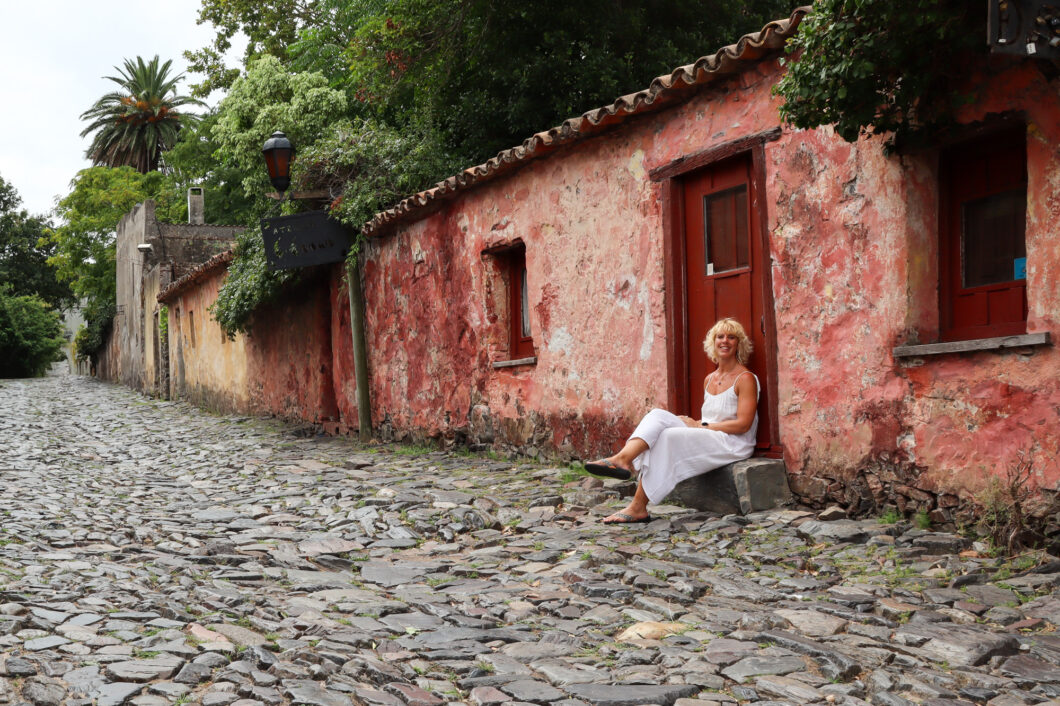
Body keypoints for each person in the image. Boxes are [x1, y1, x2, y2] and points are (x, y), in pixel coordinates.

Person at [585, 317, 759, 524]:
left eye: (731, 337)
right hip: (709, 432)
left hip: (733, 442)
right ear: (713, 343)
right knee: (657, 415)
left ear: (739, 343)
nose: (725, 341)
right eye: (720, 336)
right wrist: (694, 423)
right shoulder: (709, 379)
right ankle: (623, 459)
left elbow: (743, 425)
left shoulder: (746, 378)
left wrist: (700, 425)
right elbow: (711, 418)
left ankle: (638, 507)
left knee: (669, 436)